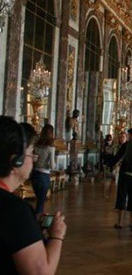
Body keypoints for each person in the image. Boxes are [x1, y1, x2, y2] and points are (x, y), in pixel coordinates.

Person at [0, 116, 67, 274]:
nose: (33, 160)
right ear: (16, 161)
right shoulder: (15, 211)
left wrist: (29, 229)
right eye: (31, 153)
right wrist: (57, 235)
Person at [111, 129, 132, 229]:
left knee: (121, 196)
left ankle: (120, 222)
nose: (128, 137)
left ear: (131, 135)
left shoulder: (127, 145)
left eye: (129, 135)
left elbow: (117, 157)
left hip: (125, 172)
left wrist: (110, 163)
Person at [31, 124, 56, 215]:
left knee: (38, 201)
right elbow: (53, 166)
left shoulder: (37, 146)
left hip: (35, 175)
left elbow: (34, 159)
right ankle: (37, 224)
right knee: (40, 204)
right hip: (44, 176)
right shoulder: (51, 148)